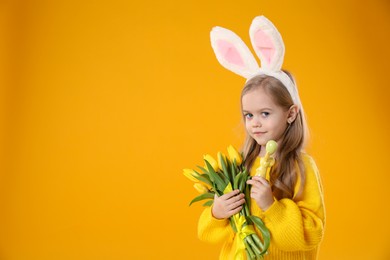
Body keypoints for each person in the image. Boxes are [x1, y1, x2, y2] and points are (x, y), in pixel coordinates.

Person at [197, 16, 325, 260]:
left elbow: (312, 232)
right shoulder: (238, 164)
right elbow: (205, 232)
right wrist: (217, 211)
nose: (254, 122)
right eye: (248, 115)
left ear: (290, 113)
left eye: (265, 113)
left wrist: (272, 207)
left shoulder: (301, 167)